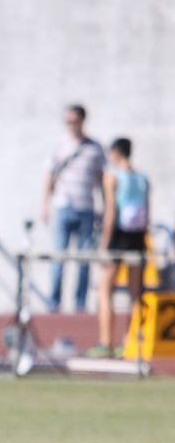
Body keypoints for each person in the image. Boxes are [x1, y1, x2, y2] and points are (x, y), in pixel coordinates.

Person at [41, 104, 106, 313]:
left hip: (86, 208)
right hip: (63, 206)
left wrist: (105, 208)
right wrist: (45, 205)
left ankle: (80, 305)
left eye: (72, 120)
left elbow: (101, 180)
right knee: (59, 258)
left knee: (84, 260)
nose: (69, 125)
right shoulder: (59, 146)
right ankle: (54, 304)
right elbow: (49, 176)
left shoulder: (94, 148)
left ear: (82, 121)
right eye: (66, 121)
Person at [91, 137, 150, 358]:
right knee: (136, 292)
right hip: (137, 237)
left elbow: (110, 212)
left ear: (115, 153)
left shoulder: (113, 176)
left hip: (119, 236)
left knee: (105, 289)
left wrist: (104, 243)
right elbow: (147, 214)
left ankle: (106, 341)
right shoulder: (143, 178)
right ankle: (132, 340)